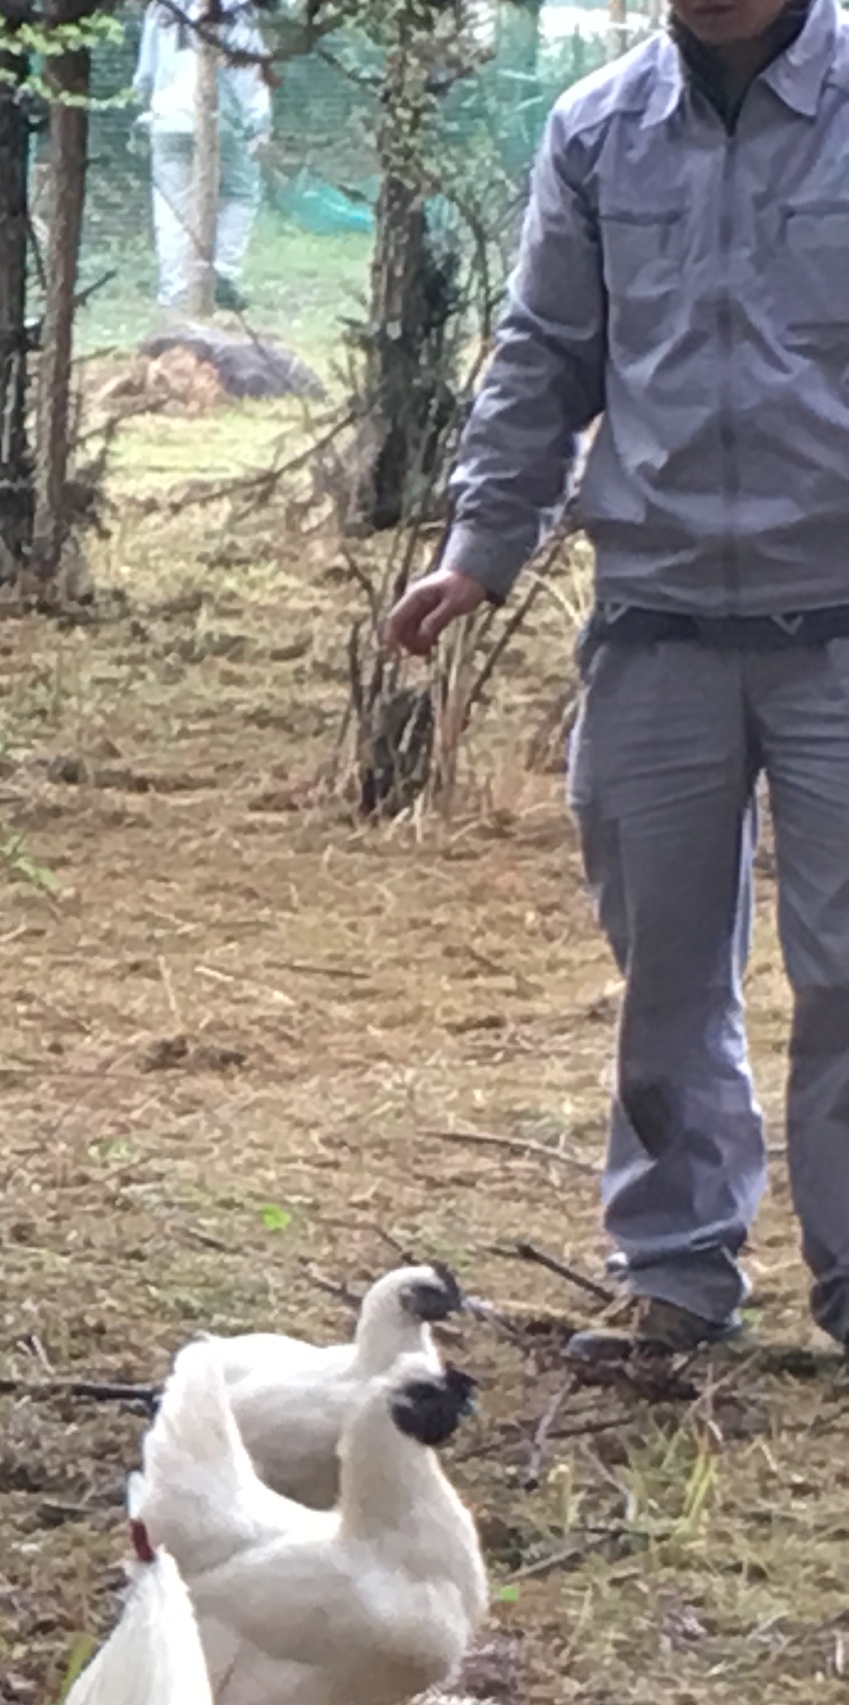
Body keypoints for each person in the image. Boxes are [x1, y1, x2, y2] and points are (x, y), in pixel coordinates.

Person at [390, 0, 849, 1353]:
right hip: (657, 627)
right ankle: (676, 1276)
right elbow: (545, 350)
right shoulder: (596, 130)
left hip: (839, 623)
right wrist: (480, 547)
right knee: (665, 972)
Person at [138, 0, 274, 317]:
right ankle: (222, 271)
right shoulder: (237, 8)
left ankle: (176, 294)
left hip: (167, 119)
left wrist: (154, 105)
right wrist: (259, 123)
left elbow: (145, 73)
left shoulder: (161, 6)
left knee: (172, 209)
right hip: (222, 119)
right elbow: (248, 73)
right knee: (239, 191)